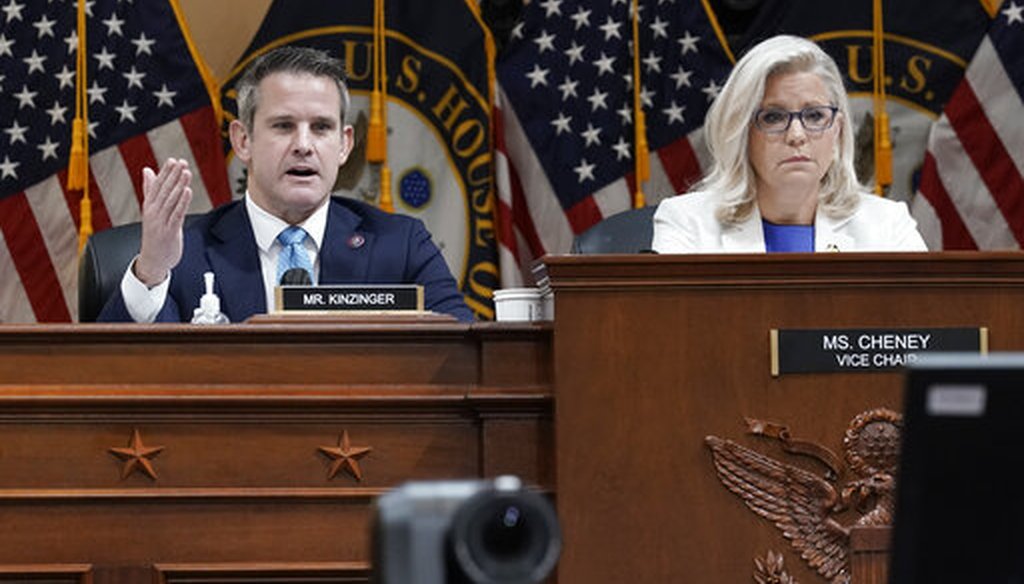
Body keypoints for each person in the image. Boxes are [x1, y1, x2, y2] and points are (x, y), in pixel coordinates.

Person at [98, 46, 472, 323]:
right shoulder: (184, 255)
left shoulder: (401, 246)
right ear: (243, 141)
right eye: (283, 126)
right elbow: (113, 373)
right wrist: (151, 271)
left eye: (321, 127)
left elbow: (464, 354)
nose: (304, 145)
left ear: (344, 145)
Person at [652, 35, 928, 254]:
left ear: (838, 130)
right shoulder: (686, 223)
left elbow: (926, 321)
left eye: (815, 116)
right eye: (773, 117)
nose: (796, 135)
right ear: (740, 132)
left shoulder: (888, 226)